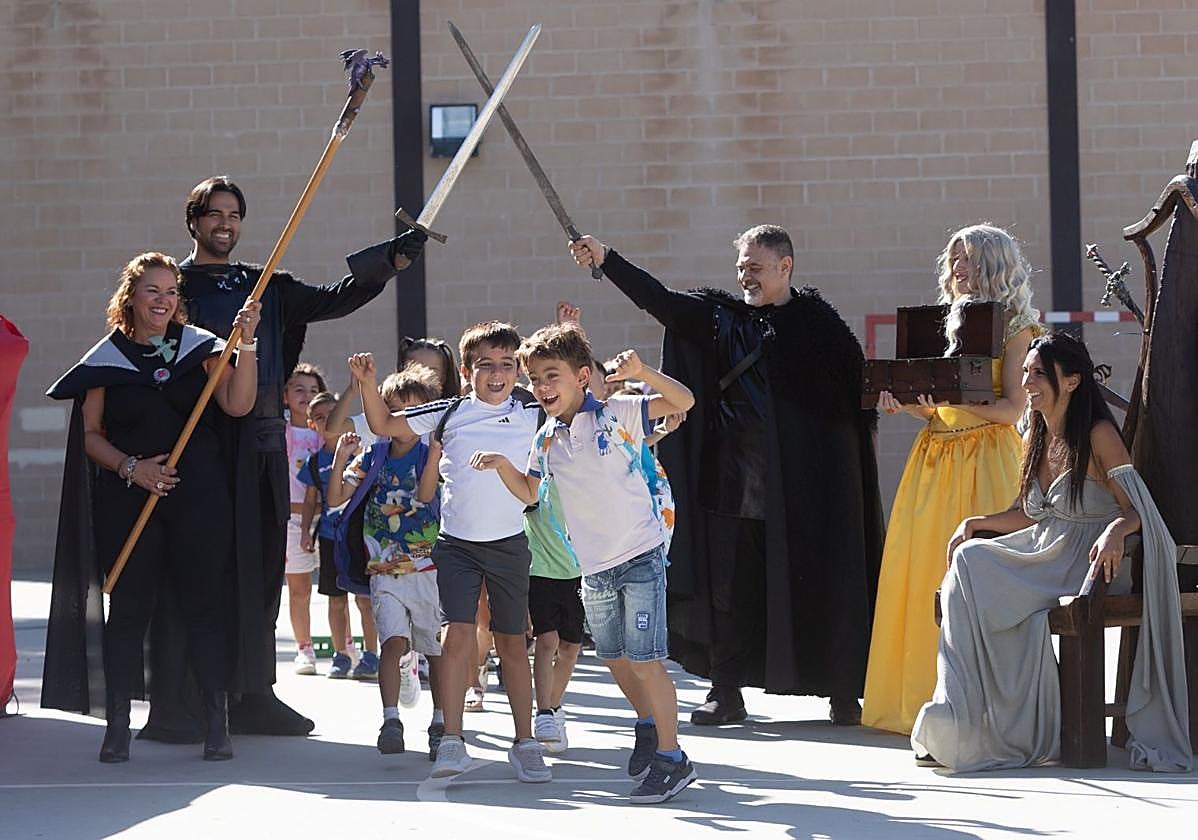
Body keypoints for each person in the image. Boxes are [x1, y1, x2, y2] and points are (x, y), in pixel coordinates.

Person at [569, 228, 884, 726]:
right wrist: (607, 259)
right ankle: (726, 689)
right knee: (729, 591)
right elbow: (661, 301)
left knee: (820, 581)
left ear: (785, 266)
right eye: (741, 267)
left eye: (755, 267)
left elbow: (854, 403)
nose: (745, 277)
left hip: (805, 488)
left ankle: (842, 691)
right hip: (732, 480)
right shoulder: (720, 317)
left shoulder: (820, 327)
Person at [159, 175, 426, 738]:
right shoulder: (170, 288)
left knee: (260, 569)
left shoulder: (266, 287)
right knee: (199, 569)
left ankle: (253, 693)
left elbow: (336, 297)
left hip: (259, 444)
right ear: (194, 221)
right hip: (194, 447)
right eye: (214, 213)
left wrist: (392, 259)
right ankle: (187, 701)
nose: (225, 223)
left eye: (234, 214)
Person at [912, 332, 1192, 773]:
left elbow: (1137, 509)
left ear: (1073, 380)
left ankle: (997, 727)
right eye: (1025, 372)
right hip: (1045, 551)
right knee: (968, 562)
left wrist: (1116, 530)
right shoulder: (1037, 434)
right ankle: (962, 719)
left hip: (1091, 563)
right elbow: (1032, 514)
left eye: (1039, 374)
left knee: (971, 568)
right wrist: (977, 522)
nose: (1027, 383)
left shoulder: (1098, 434)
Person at [43, 252, 260, 762]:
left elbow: (238, 404)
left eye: (170, 292)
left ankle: (216, 724)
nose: (162, 301)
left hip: (198, 497)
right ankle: (118, 725)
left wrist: (247, 343)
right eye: (152, 291)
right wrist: (132, 468)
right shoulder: (106, 359)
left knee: (204, 606)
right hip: (130, 499)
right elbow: (90, 434)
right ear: (131, 298)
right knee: (129, 608)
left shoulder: (200, 348)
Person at [474, 323, 699, 804]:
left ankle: (673, 757)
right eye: (535, 379)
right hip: (594, 567)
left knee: (646, 660)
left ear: (581, 377)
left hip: (640, 554)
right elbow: (531, 492)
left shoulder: (620, 411)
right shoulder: (546, 439)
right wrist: (503, 467)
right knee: (614, 656)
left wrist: (643, 373)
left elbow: (683, 401)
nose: (542, 387)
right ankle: (648, 724)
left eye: (551, 375)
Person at [350, 321, 550, 784]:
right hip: (456, 546)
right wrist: (366, 382)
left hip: (509, 545)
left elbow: (579, 403)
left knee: (512, 642)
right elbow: (383, 424)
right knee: (456, 637)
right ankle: (452, 740)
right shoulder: (448, 412)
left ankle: (526, 742)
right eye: (485, 365)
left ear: (518, 369)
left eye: (507, 364)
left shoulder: (532, 411)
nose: (497, 374)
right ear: (465, 371)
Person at [862, 224, 1042, 734]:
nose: (958, 268)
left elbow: (1012, 409)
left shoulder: (1017, 329)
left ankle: (985, 710)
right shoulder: (946, 322)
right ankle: (921, 700)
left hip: (988, 459)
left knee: (978, 577)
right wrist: (911, 405)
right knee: (922, 572)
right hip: (934, 459)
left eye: (968, 259)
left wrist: (951, 399)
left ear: (993, 265)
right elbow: (939, 410)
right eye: (955, 258)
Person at [325, 365, 444, 758]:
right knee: (392, 642)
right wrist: (341, 459)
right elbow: (336, 498)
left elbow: (426, 496)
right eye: (394, 411)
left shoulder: (434, 454)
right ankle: (391, 720)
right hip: (384, 569)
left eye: (414, 412)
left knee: (434, 649)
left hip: (427, 568)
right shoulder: (373, 456)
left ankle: (441, 720)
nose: (403, 420)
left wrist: (434, 456)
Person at [297, 391, 378, 680]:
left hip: (359, 535)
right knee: (335, 598)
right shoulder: (314, 461)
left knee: (365, 599)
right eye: (320, 418)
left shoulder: (361, 454)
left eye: (333, 415)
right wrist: (305, 532)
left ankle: (371, 654)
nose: (327, 422)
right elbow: (310, 500)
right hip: (330, 537)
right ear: (312, 425)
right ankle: (341, 654)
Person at [283, 363, 326, 675]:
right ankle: (304, 648)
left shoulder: (324, 432)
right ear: (284, 395)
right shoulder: (278, 429)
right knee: (299, 589)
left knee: (336, 590)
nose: (306, 396)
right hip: (290, 520)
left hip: (325, 518)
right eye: (298, 389)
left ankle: (346, 648)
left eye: (313, 390)